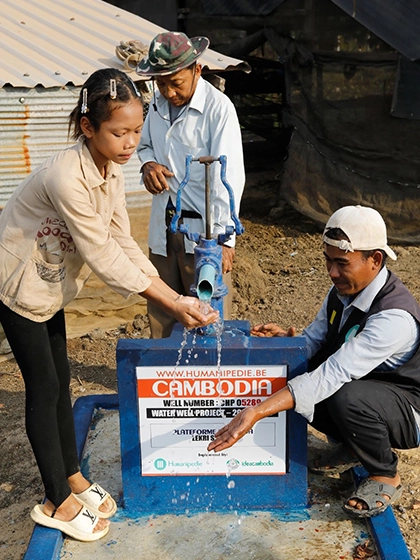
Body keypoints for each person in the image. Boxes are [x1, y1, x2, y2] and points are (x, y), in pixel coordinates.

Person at [0, 68, 217, 542]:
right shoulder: (66, 175)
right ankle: (56, 500)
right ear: (88, 127)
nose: (130, 143)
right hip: (18, 282)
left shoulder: (110, 171)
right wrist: (170, 299)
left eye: (136, 131)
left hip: (50, 284)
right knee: (44, 386)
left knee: (61, 379)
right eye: (119, 132)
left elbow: (122, 239)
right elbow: (101, 253)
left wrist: (175, 296)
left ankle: (72, 476)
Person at [208, 205, 420, 518]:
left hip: (409, 409)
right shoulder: (341, 293)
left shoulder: (393, 317)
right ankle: (353, 446)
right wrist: (287, 345)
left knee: (344, 395)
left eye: (342, 263)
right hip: (373, 391)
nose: (332, 272)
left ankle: (384, 474)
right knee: (300, 367)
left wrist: (256, 412)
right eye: (328, 260)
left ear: (375, 260)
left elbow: (333, 373)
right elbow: (312, 341)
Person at [136, 31, 245, 338]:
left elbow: (229, 178)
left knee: (206, 315)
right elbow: (145, 146)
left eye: (176, 83)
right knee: (162, 309)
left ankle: (206, 367)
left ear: (197, 69)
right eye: (161, 84)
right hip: (164, 227)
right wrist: (148, 165)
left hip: (204, 234)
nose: (169, 92)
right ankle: (164, 364)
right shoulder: (156, 105)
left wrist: (225, 242)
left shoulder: (218, 110)